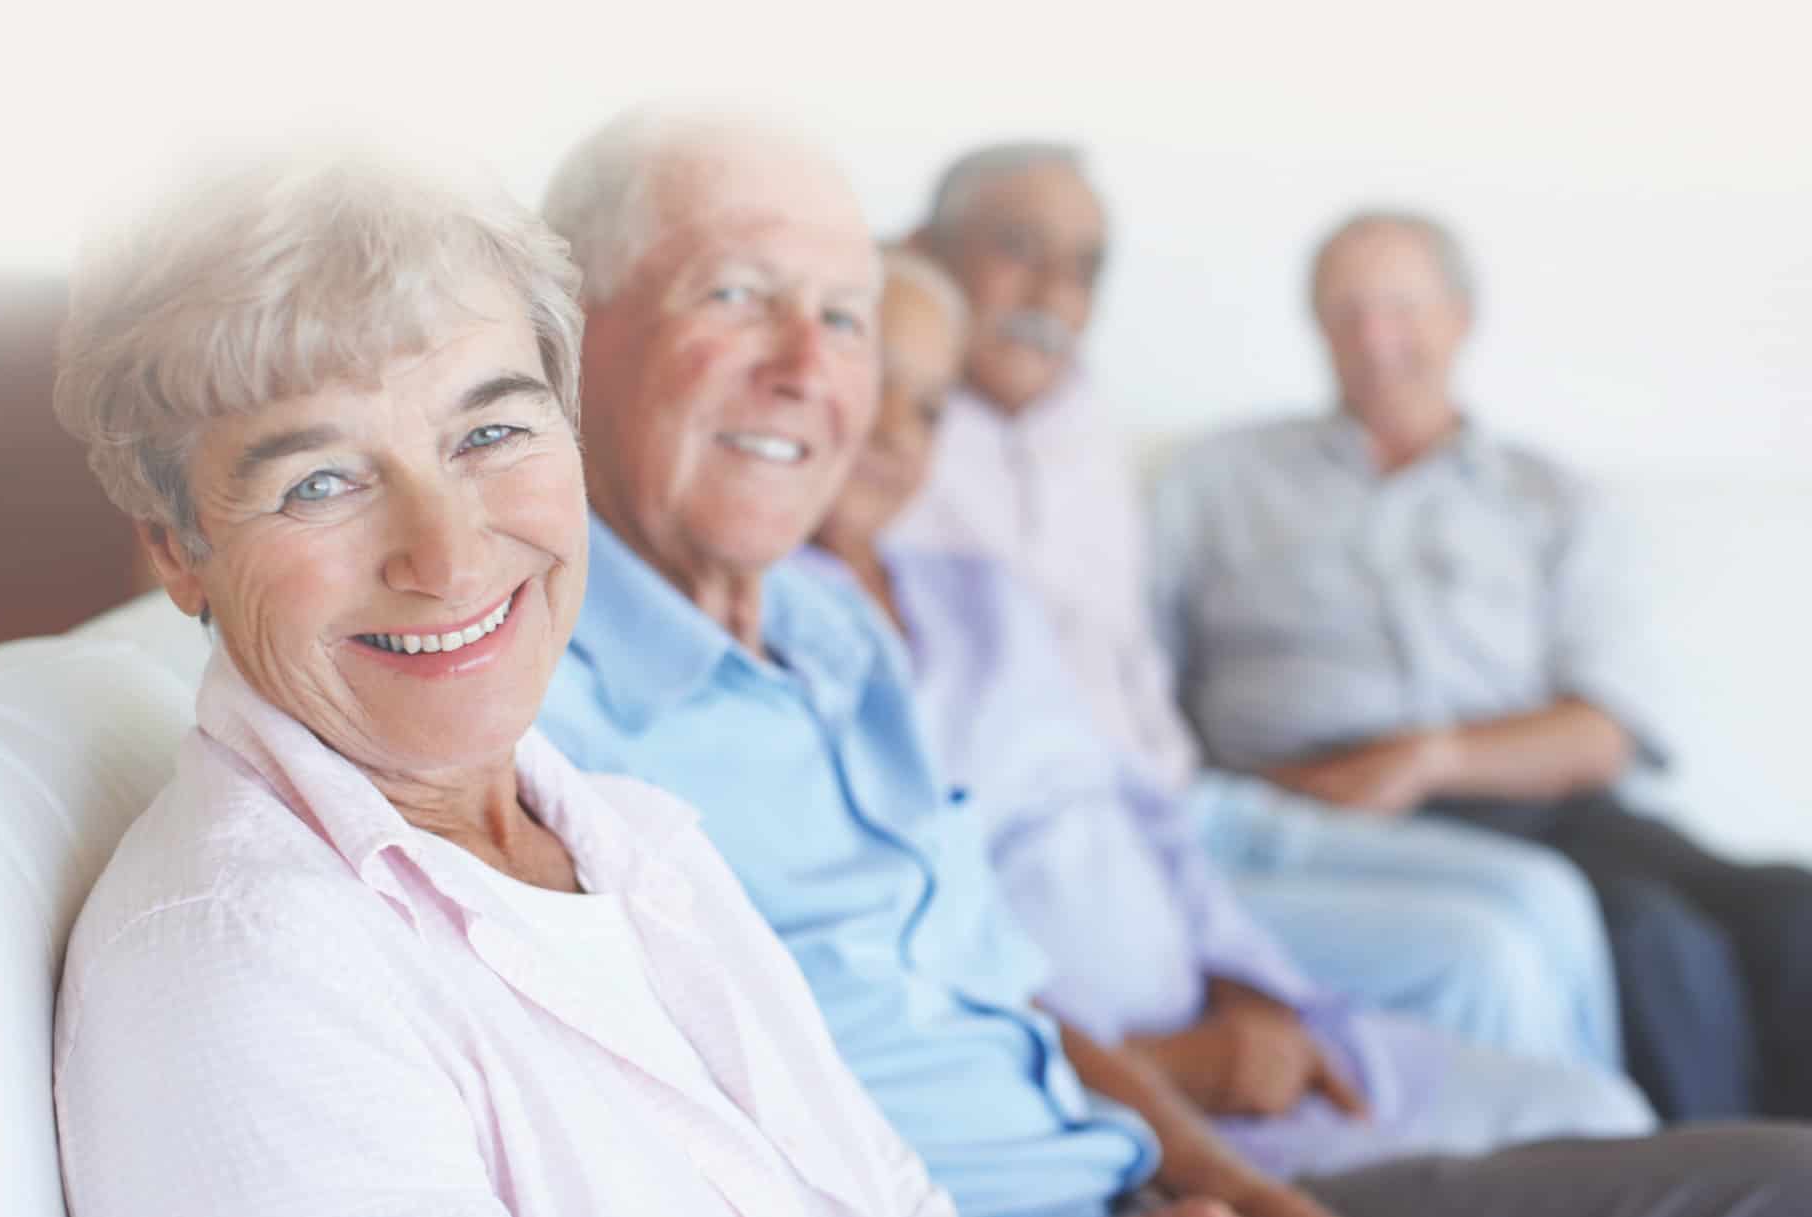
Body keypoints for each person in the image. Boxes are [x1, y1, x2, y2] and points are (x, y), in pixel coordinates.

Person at [536, 105, 1812, 1217]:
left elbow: (1008, 988)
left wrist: (1221, 1174)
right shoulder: (533, 702)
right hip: (1084, 1126)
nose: (815, 371)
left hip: (1139, 1145)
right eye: (734, 292)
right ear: (570, 322)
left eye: (843, 317)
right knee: (1545, 950)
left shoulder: (837, 638)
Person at [48, 154, 959, 1217]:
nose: (449, 558)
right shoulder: (243, 974)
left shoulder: (626, 836)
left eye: (489, 432)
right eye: (321, 482)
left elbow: (890, 1186)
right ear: (178, 550)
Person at [802, 246, 1656, 1183]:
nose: (893, 431)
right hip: (1131, 1096)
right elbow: (919, 962)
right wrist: (1170, 1074)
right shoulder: (783, 648)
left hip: (1219, 1006)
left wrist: (1250, 989)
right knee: (1517, 1002)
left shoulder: (978, 596)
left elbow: (1142, 810)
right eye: (874, 381)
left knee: (1596, 1105)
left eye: (927, 407)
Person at [889, 142, 1618, 1071]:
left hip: (1188, 800)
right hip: (1091, 834)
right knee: (1485, 951)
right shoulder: (884, 436)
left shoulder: (1081, 424)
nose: (1051, 293)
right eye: (1016, 246)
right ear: (922, 248)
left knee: (1551, 897)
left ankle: (1623, 1171)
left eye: (1084, 267)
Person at [1150, 207, 1812, 1122]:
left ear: (1460, 317)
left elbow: (1603, 729)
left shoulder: (1550, 496)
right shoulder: (1215, 482)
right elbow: (1137, 689)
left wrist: (1429, 757)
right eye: (1345, 311)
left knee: (1792, 909)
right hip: (1331, 802)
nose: (1375, 338)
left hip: (1537, 789)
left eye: (1401, 307)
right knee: (1651, 938)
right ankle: (1711, 1182)